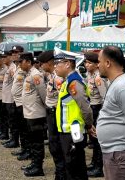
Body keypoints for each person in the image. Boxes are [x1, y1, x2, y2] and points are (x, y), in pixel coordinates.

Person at [97, 46, 125, 180]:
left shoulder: (123, 87)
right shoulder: (116, 83)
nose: (98, 65)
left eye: (99, 61)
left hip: (120, 153)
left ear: (108, 63)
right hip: (114, 152)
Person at [54, 48, 94, 180]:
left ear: (67, 64)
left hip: (73, 131)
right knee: (73, 166)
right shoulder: (68, 80)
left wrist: (89, 125)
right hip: (68, 131)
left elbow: (85, 107)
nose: (55, 67)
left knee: (74, 167)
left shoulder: (74, 82)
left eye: (57, 63)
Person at [37, 50, 66, 180]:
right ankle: (59, 172)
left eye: (42, 63)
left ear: (48, 63)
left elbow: (62, 98)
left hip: (55, 114)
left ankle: (61, 174)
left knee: (56, 145)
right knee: (54, 145)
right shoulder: (52, 76)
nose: (40, 66)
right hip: (51, 113)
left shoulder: (58, 78)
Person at [20, 52, 47, 177]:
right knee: (32, 140)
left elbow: (43, 94)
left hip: (36, 113)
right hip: (30, 112)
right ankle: (34, 162)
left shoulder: (36, 75)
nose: (19, 64)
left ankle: (38, 167)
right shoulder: (29, 74)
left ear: (29, 62)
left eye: (21, 61)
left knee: (37, 142)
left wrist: (46, 108)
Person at [84, 51, 107, 178]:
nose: (87, 65)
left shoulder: (98, 78)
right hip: (91, 107)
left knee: (98, 139)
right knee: (93, 138)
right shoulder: (90, 75)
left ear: (96, 65)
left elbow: (105, 97)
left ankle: (99, 167)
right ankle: (94, 163)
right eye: (86, 62)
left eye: (89, 63)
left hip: (98, 108)